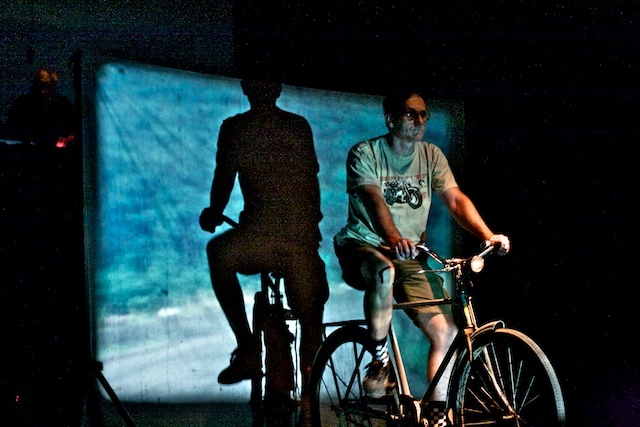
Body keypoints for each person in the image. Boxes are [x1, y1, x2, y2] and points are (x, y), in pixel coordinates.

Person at [333, 89, 510, 425]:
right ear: (390, 120)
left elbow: (455, 200)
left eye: (424, 114)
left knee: (446, 333)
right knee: (383, 270)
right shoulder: (365, 153)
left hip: (408, 254)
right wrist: (394, 237)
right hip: (362, 247)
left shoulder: (431, 155)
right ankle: (379, 361)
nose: (419, 121)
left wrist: (488, 235)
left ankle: (435, 414)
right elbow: (373, 198)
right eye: (410, 114)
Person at [200, 79, 329, 424]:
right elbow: (311, 183)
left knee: (219, 253)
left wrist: (213, 213)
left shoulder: (235, 128)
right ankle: (310, 402)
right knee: (310, 318)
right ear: (278, 89)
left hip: (261, 238)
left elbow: (223, 179)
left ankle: (247, 349)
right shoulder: (297, 126)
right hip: (298, 239)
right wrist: (309, 231)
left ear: (246, 89)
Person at [5, 68, 77, 149]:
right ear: (35, 86)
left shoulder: (63, 104)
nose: (45, 91)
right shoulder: (22, 104)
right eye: (42, 86)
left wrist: (67, 140)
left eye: (50, 87)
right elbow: (11, 130)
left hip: (56, 151)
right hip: (27, 150)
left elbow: (74, 130)